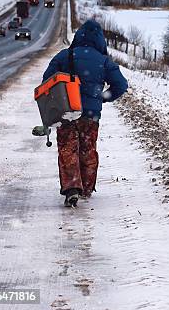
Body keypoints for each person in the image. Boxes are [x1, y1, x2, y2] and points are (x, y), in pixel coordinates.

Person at [42, 19, 128, 207]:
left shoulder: (65, 56)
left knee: (68, 149)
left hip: (66, 111)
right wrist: (103, 97)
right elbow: (121, 85)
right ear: (99, 40)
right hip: (90, 114)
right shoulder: (104, 61)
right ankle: (87, 188)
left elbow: (46, 80)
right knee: (88, 149)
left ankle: (72, 187)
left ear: (78, 37)